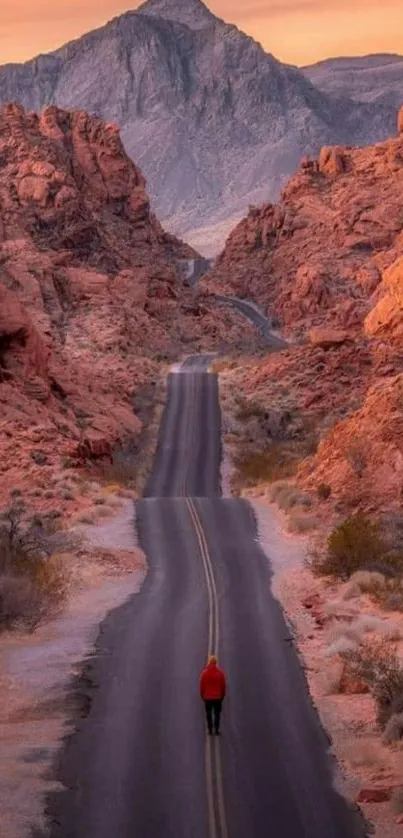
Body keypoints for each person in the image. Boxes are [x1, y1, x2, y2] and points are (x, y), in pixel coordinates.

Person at [200, 654, 227, 735]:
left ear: (209, 663)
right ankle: (216, 729)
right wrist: (222, 696)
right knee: (217, 714)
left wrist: (203, 696)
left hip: (207, 697)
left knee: (208, 713)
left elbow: (201, 686)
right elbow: (223, 686)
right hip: (217, 697)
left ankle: (210, 729)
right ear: (216, 663)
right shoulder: (220, 673)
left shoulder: (204, 674)